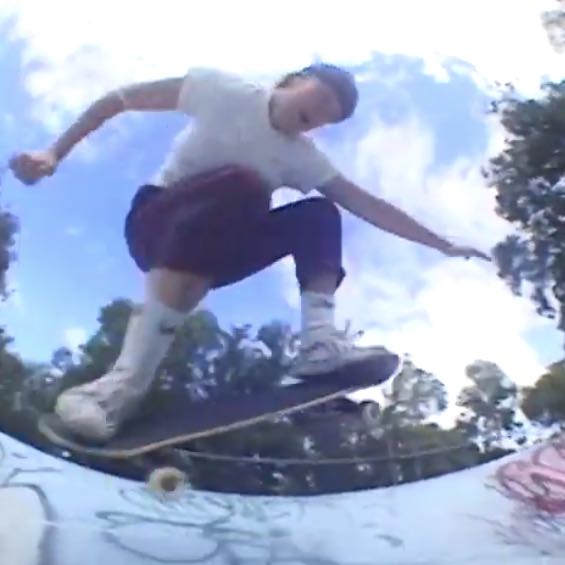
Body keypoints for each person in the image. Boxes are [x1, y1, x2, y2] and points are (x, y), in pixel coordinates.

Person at [9, 63, 490, 444]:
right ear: (290, 81)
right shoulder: (222, 91)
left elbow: (366, 204)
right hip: (158, 223)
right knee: (244, 183)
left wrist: (443, 244)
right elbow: (120, 100)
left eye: (331, 117)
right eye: (321, 98)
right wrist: (54, 153)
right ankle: (111, 392)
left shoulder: (303, 158)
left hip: (220, 248)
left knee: (320, 214)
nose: (322, 115)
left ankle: (319, 344)